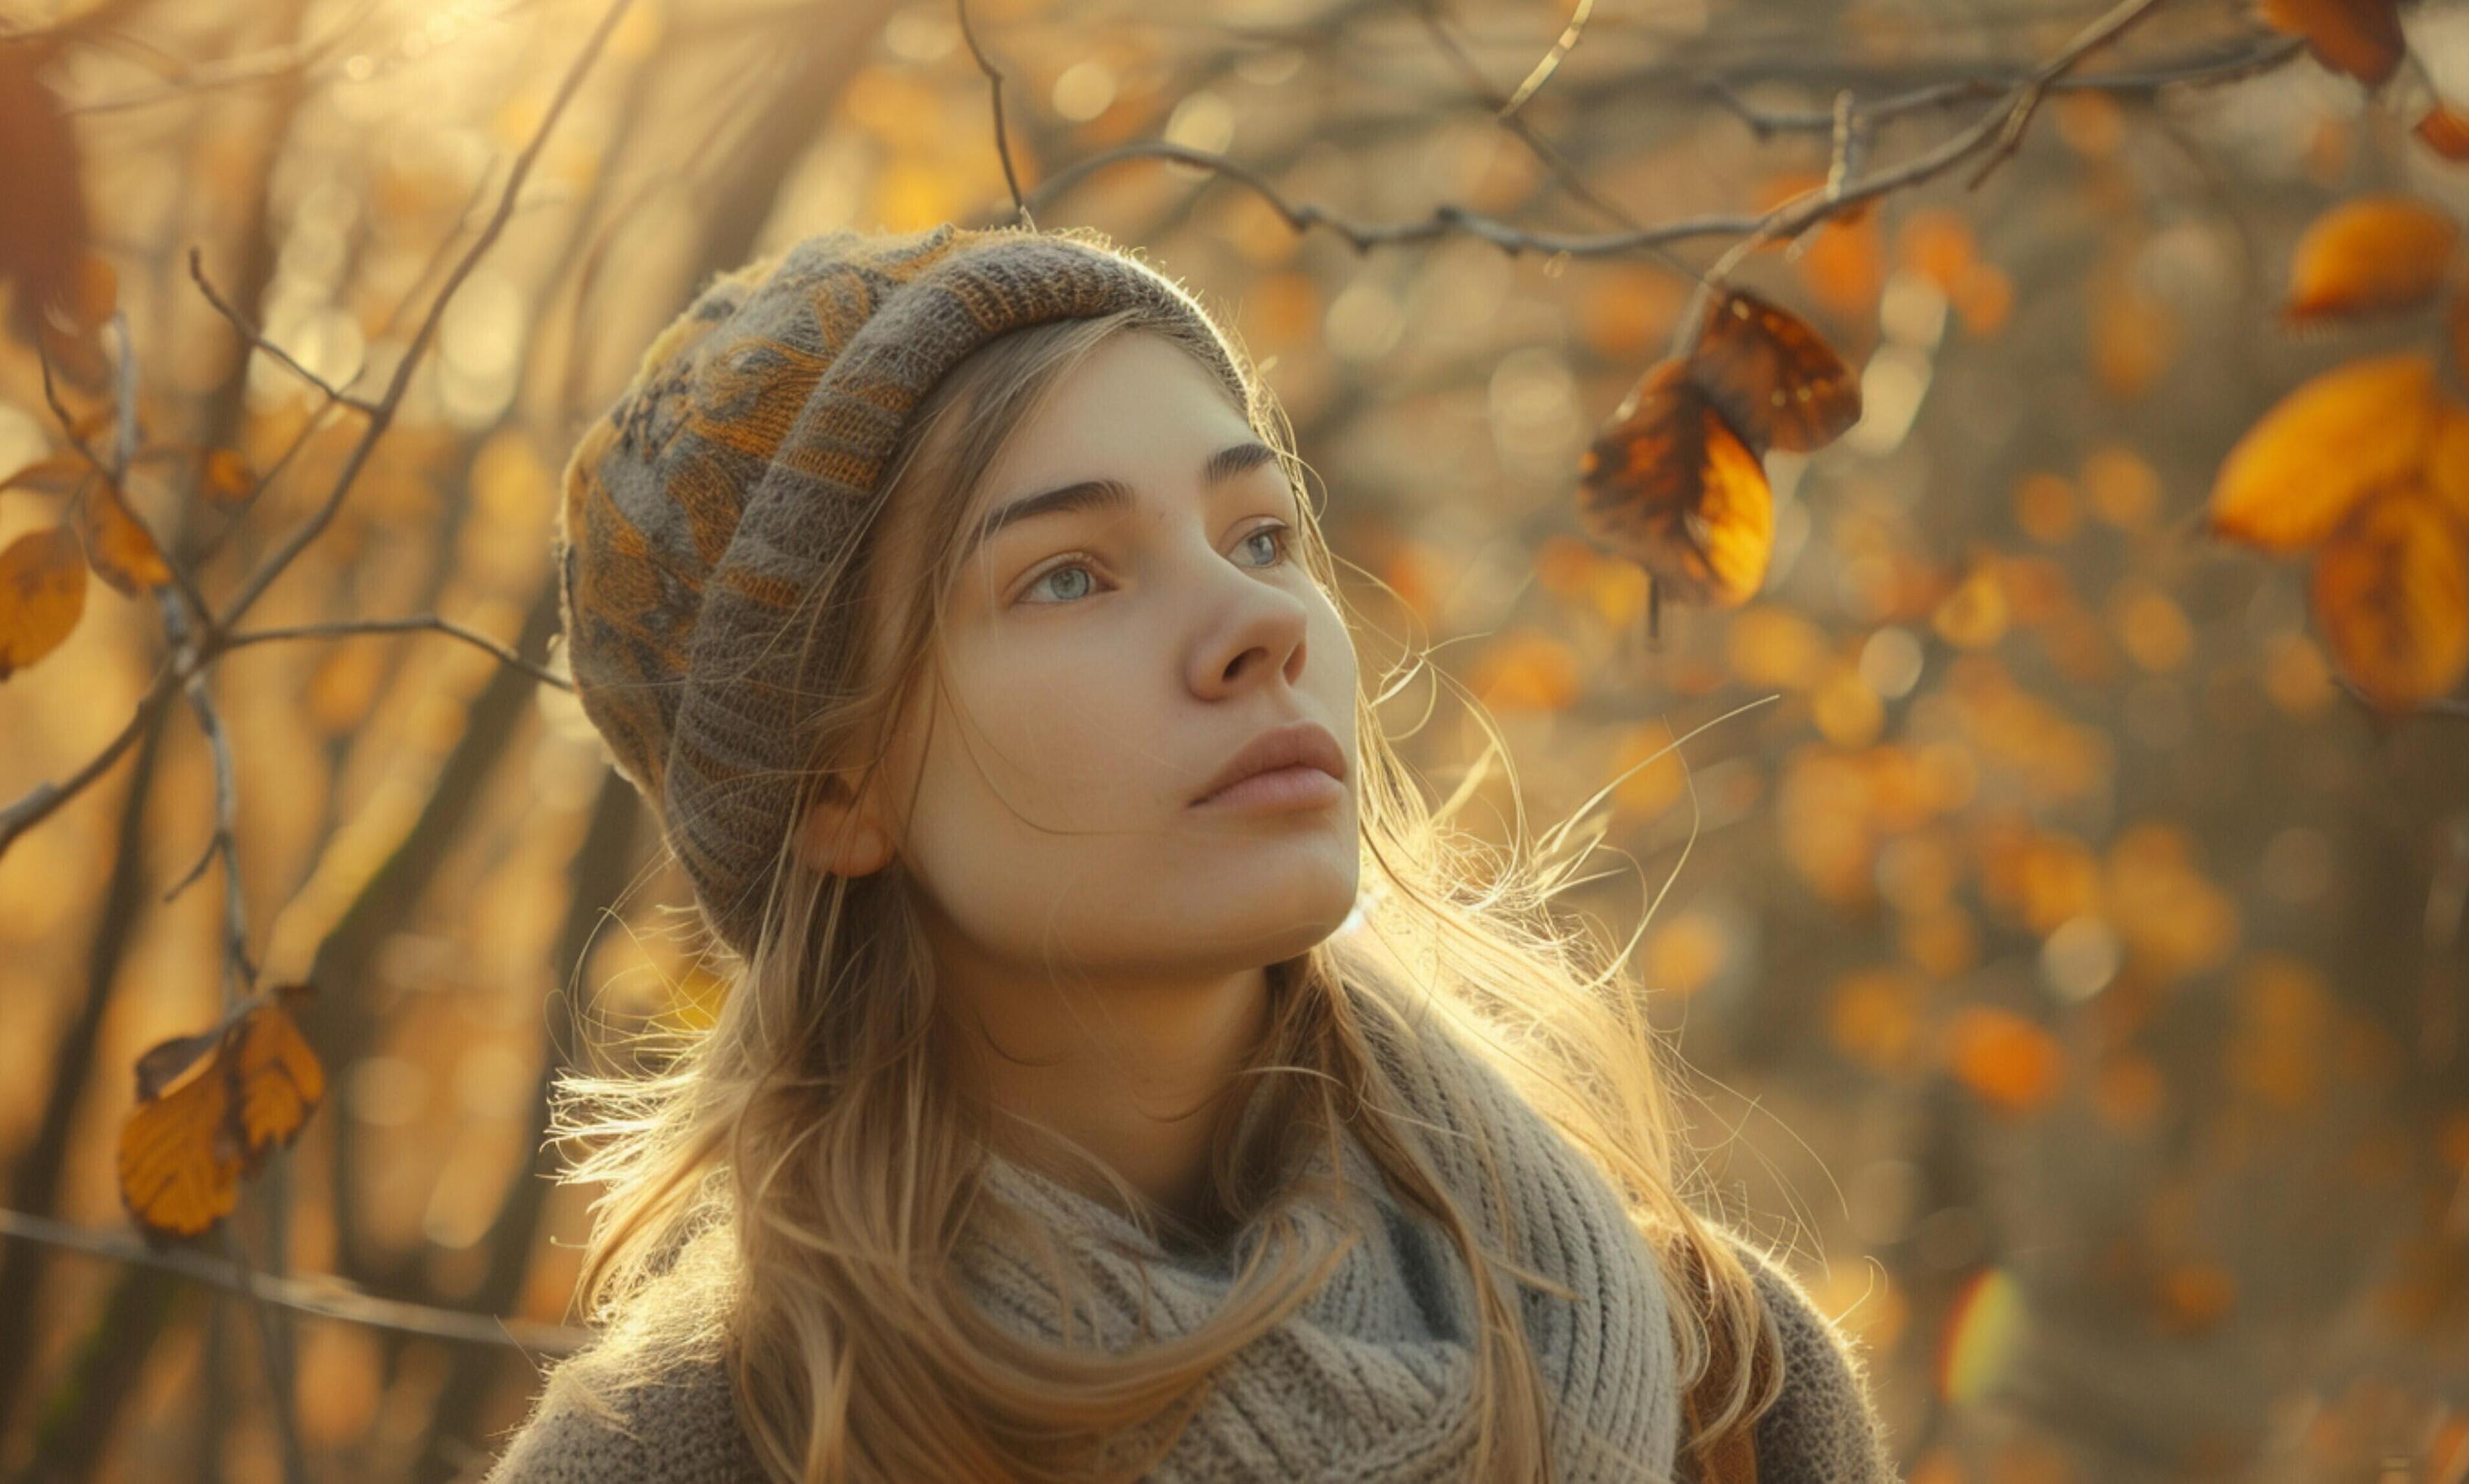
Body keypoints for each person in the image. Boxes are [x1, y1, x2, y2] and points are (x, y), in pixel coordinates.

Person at [482, 220, 1897, 1482]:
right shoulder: (694, 1454)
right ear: (833, 788)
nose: (1258, 620)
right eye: (1070, 575)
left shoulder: (1722, 1389)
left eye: (1262, 534)